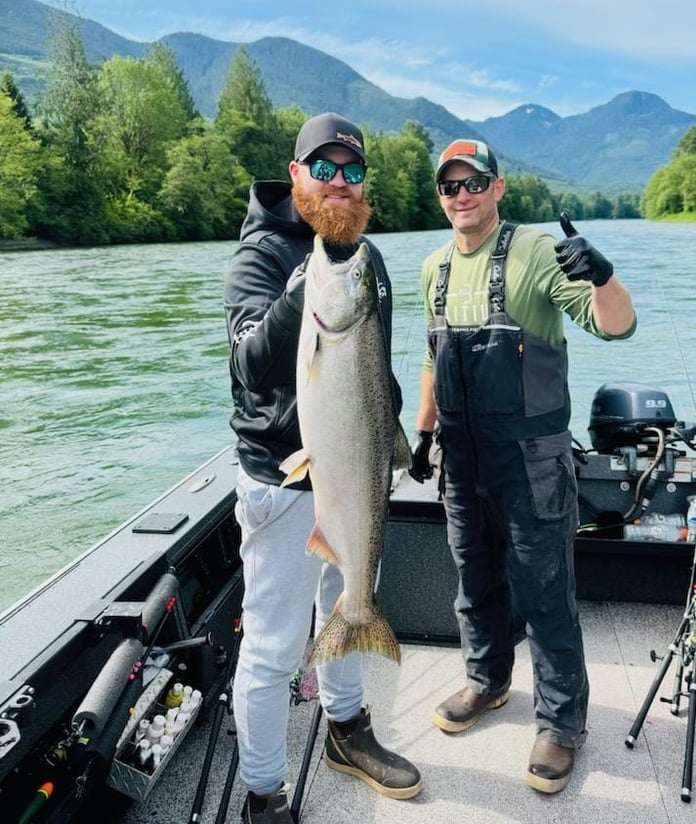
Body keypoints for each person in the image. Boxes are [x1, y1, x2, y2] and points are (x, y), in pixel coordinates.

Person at [409, 139, 636, 795]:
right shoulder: (434, 269)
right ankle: (487, 681)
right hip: (459, 457)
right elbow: (430, 360)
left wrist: (603, 275)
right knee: (474, 580)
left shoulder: (534, 252)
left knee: (543, 595)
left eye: (473, 182)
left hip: (532, 459)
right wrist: (422, 437)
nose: (462, 195)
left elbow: (614, 325)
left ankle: (562, 724)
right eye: (450, 186)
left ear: (497, 188)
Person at [224, 112, 422, 824]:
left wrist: (403, 442)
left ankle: (346, 728)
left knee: (348, 604)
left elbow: (377, 376)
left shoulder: (365, 258)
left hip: (358, 472)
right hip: (283, 487)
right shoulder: (261, 257)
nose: (340, 183)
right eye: (326, 168)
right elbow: (249, 366)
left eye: (354, 171)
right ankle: (265, 793)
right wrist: (299, 290)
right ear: (297, 172)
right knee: (275, 645)